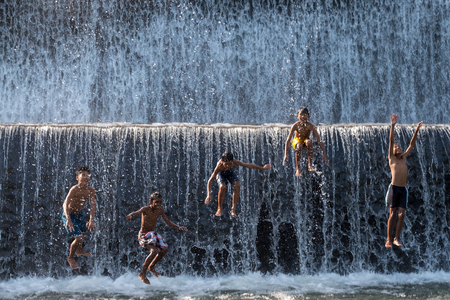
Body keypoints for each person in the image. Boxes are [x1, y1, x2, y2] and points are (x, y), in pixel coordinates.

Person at [126, 192, 188, 285]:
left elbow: (167, 222)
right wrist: (130, 216)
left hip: (152, 234)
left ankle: (151, 266)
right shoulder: (145, 209)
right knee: (154, 251)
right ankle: (142, 273)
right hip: (143, 235)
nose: (159, 204)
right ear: (150, 201)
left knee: (164, 249)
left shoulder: (160, 210)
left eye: (160, 202)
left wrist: (178, 227)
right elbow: (135, 213)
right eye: (156, 202)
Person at [385, 114, 423, 248]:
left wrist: (416, 130)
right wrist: (392, 126)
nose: (398, 148)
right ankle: (388, 239)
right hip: (394, 188)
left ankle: (396, 238)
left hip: (403, 189)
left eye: (399, 147)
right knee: (393, 213)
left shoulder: (403, 158)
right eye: (396, 148)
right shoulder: (392, 158)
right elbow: (391, 141)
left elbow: (412, 144)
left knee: (401, 214)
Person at [204, 152, 272, 218]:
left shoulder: (235, 162)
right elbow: (210, 181)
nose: (228, 166)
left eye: (230, 164)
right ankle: (219, 208)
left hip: (230, 173)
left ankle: (233, 209)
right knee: (223, 186)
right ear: (222, 161)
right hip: (221, 174)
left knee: (237, 185)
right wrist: (208, 194)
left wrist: (262, 168)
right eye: (226, 164)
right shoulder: (219, 166)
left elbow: (248, 165)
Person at [62, 166, 97, 269]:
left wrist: (91, 220)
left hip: (79, 214)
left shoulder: (91, 190)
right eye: (84, 175)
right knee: (79, 237)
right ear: (77, 177)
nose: (86, 177)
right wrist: (68, 219)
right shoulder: (74, 189)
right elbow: (65, 204)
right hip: (69, 215)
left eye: (88, 175)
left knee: (84, 231)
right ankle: (71, 257)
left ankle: (79, 249)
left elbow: (92, 206)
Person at [283, 107, 329, 176]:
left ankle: (310, 165)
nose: (303, 116)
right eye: (301, 114)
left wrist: (324, 153)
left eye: (305, 115)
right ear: (297, 116)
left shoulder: (311, 126)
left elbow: (319, 140)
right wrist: (285, 154)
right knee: (299, 146)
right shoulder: (295, 126)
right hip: (297, 140)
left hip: (305, 140)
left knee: (309, 142)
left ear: (308, 116)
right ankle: (298, 168)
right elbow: (288, 140)